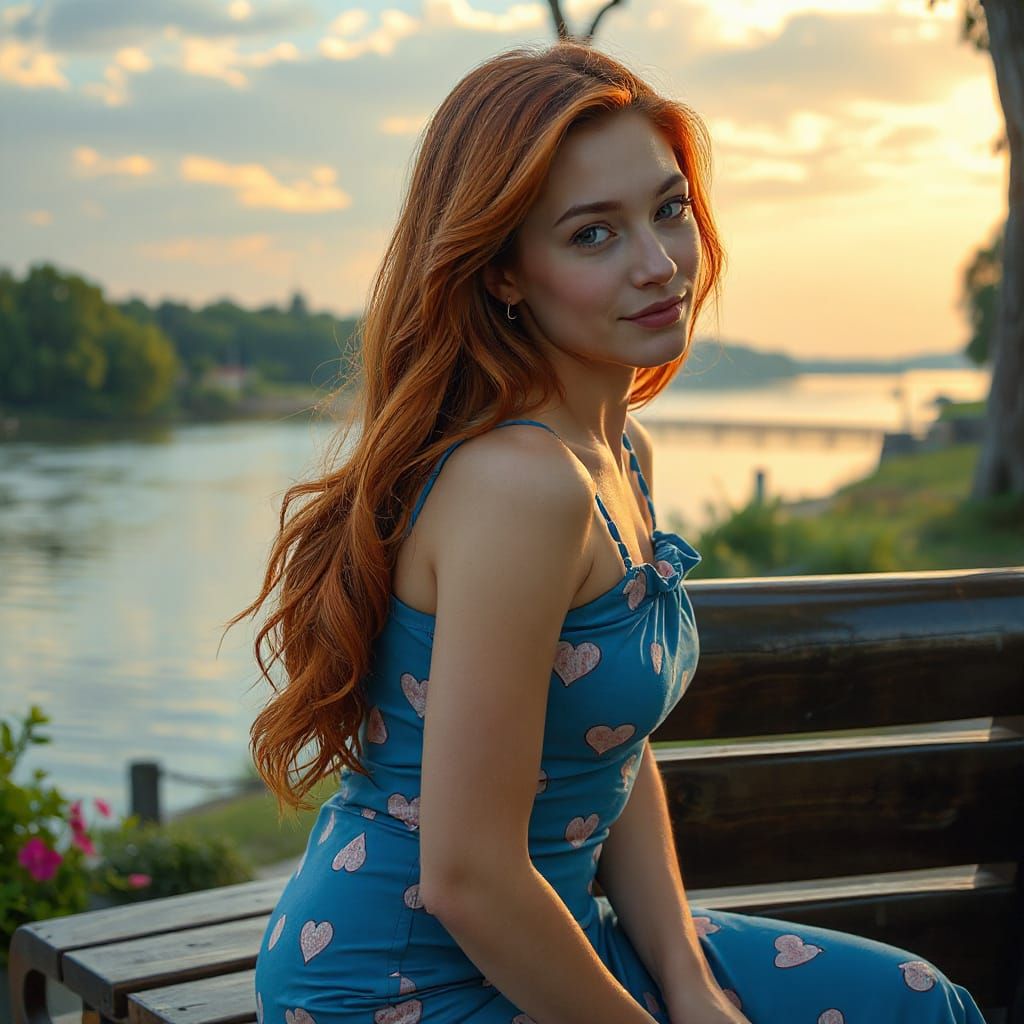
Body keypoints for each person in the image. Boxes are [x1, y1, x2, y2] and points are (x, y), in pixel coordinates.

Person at [231, 40, 988, 1024]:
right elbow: (466, 878)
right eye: (593, 235)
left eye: (668, 209)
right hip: (401, 978)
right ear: (503, 273)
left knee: (919, 1004)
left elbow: (609, 748)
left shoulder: (614, 455)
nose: (658, 262)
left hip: (555, 933)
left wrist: (687, 979)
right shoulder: (518, 489)